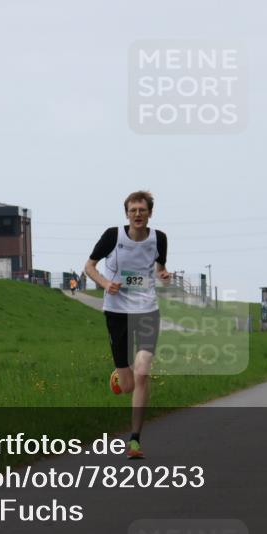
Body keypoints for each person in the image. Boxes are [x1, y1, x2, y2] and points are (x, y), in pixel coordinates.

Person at [84, 190, 170, 459]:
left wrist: (163, 274)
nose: (137, 214)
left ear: (150, 213)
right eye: (133, 210)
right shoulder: (113, 236)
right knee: (128, 384)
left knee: (143, 372)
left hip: (147, 309)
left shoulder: (159, 238)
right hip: (117, 312)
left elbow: (158, 269)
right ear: (127, 214)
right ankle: (119, 376)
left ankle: (135, 440)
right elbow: (89, 266)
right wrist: (106, 283)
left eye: (142, 210)